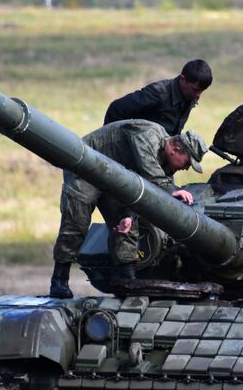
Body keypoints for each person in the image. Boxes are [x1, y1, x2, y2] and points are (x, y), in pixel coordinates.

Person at [49, 120, 208, 298]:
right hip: (86, 168)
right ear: (175, 150)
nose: (186, 167)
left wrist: (129, 215)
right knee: (76, 224)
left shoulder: (164, 163)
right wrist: (172, 191)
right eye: (188, 162)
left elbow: (142, 192)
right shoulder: (148, 136)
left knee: (126, 227)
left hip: (114, 179)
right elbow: (152, 178)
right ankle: (59, 280)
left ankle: (128, 281)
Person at [103, 59, 213, 137]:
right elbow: (116, 108)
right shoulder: (159, 93)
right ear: (182, 79)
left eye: (202, 91)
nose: (198, 95)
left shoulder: (189, 96)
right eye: (195, 90)